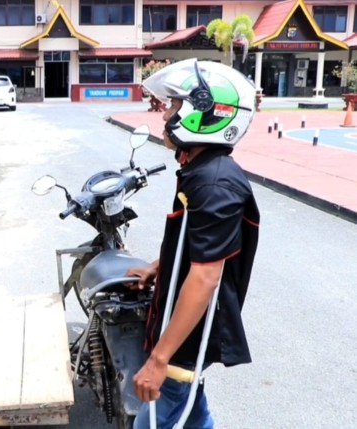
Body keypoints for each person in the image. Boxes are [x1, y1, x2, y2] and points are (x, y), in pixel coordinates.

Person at [126, 59, 260, 429]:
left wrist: (158, 360)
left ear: (206, 113)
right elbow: (198, 244)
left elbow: (205, 278)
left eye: (174, 106)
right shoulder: (201, 171)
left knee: (152, 422)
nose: (166, 113)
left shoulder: (215, 185)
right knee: (194, 417)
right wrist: (160, 264)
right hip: (182, 328)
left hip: (188, 339)